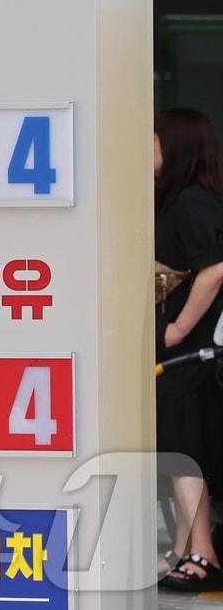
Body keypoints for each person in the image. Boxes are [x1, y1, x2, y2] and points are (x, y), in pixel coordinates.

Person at [155, 108, 223, 591]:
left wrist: (178, 327)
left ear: (175, 146)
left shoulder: (192, 203)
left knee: (184, 455)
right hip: (179, 355)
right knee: (178, 454)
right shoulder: (175, 200)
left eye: (155, 141)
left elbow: (216, 268)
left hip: (191, 355)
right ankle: (183, 550)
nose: (148, 151)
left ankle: (203, 552)